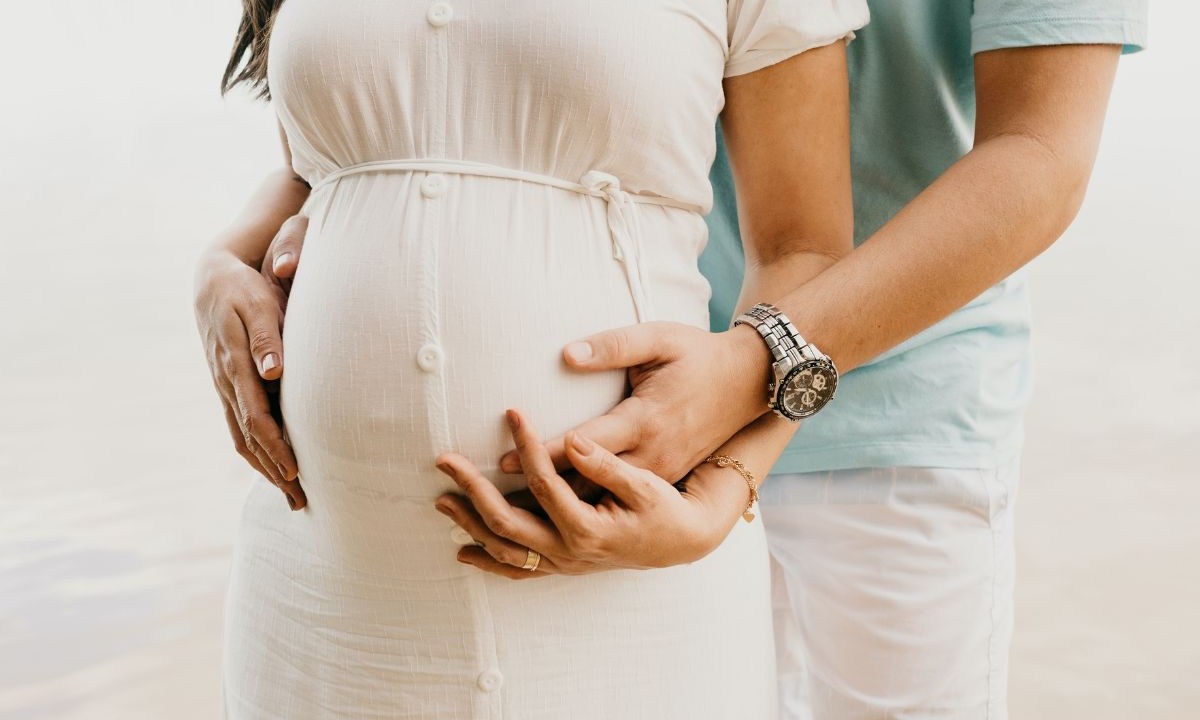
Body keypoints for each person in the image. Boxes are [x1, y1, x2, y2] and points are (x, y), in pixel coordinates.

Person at [194, 0, 869, 718]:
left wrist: (730, 485)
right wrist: (222, 261)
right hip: (327, 588)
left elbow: (804, 251)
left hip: (628, 586)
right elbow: (323, 163)